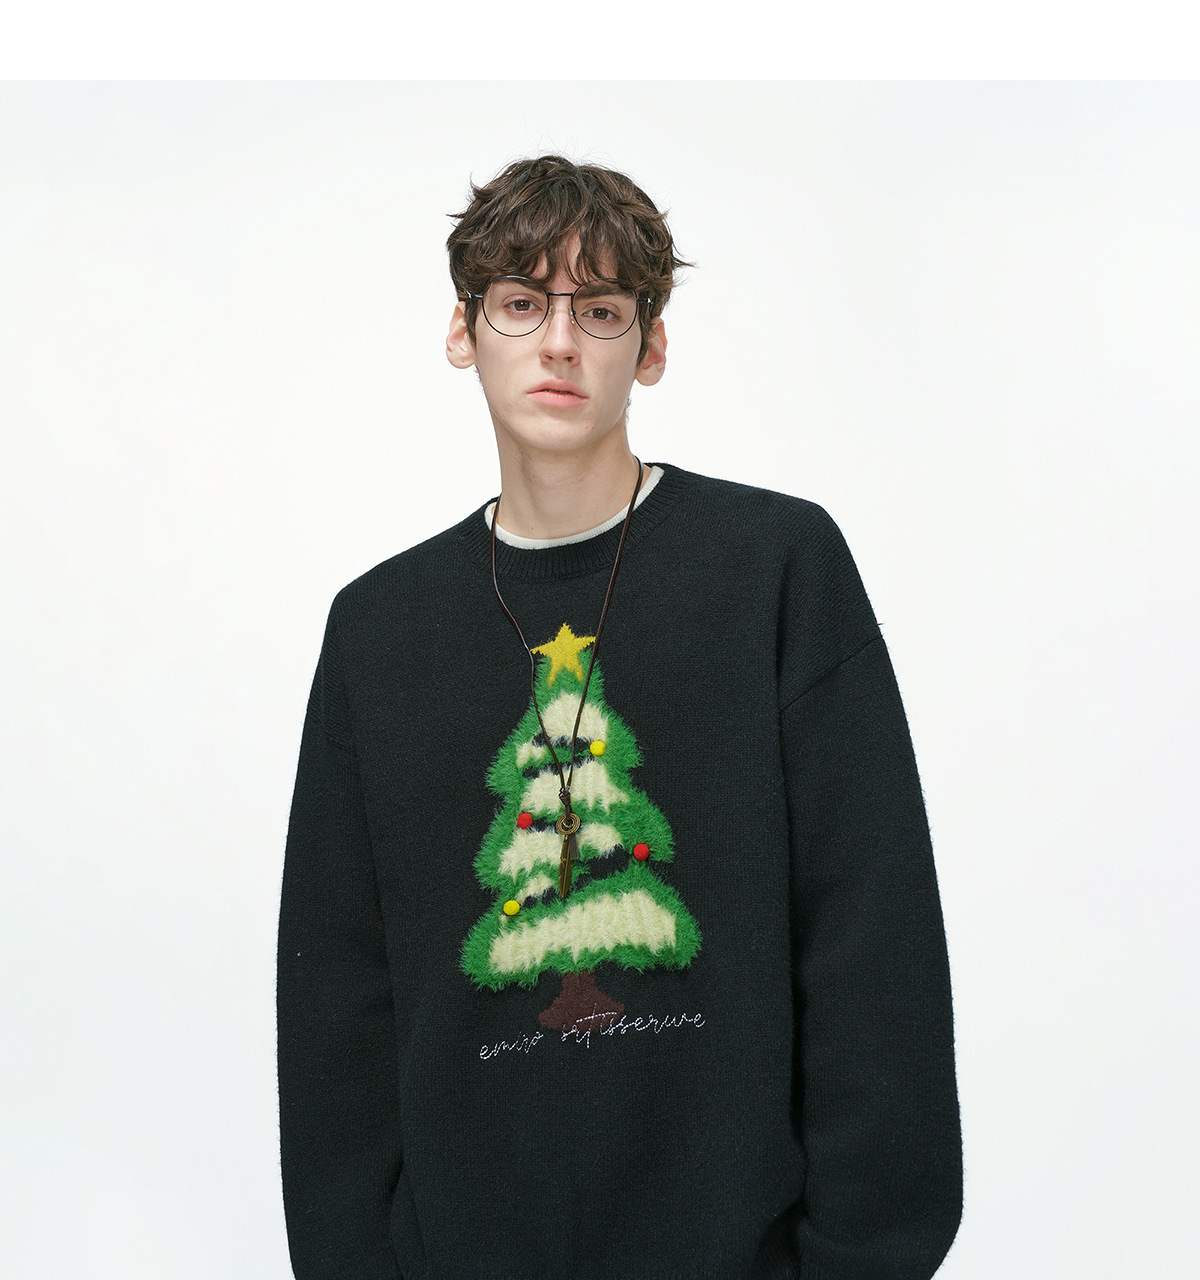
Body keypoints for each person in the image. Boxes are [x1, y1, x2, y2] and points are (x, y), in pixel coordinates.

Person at [276, 153, 963, 1280]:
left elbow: (872, 937)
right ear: (463, 331)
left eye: (598, 310)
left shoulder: (774, 570)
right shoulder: (378, 630)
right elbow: (336, 1005)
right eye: (521, 302)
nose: (559, 342)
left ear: (650, 347)